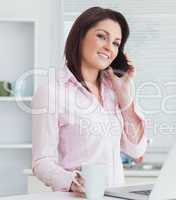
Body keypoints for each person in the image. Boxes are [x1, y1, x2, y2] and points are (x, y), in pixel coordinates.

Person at [32, 7, 147, 194]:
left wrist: (125, 96)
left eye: (116, 43)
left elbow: (136, 150)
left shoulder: (115, 92)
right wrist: (72, 181)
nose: (110, 48)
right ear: (80, 36)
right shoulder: (51, 93)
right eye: (102, 36)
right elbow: (41, 162)